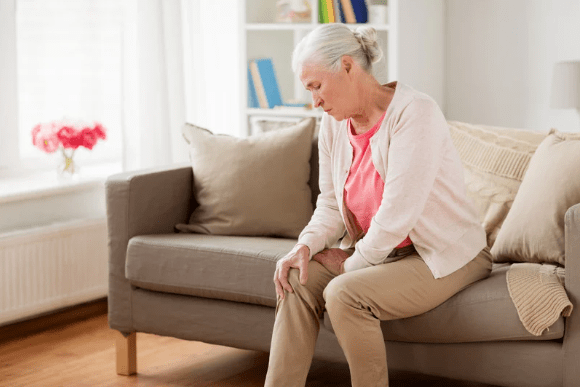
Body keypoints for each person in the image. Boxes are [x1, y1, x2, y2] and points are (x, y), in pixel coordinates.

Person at [264, 23, 492, 387]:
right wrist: (304, 246)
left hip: (441, 254)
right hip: (383, 254)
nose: (315, 102)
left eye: (317, 86)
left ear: (348, 67)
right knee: (295, 276)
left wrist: (351, 264)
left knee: (345, 293)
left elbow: (397, 215)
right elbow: (331, 204)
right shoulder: (333, 123)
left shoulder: (414, 113)